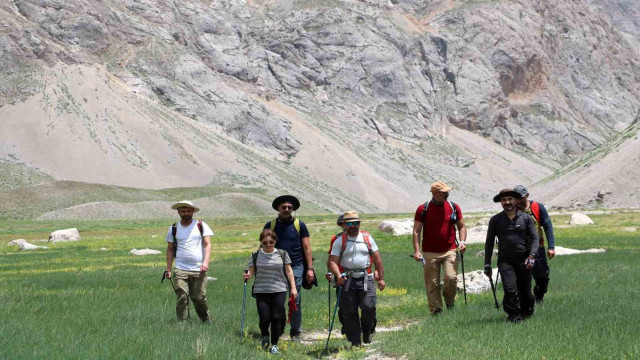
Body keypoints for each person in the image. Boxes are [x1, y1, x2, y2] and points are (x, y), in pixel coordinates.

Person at [328, 211, 385, 347]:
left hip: (366, 278)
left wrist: (381, 278)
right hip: (347, 280)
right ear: (344, 225)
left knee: (369, 307)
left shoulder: (367, 237)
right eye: (350, 223)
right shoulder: (339, 241)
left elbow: (377, 259)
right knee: (349, 311)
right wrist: (337, 275)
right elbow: (332, 262)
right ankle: (355, 342)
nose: (353, 226)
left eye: (356, 223)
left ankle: (367, 330)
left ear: (359, 224)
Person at [484, 189, 539, 323]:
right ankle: (513, 315)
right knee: (509, 289)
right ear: (501, 202)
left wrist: (532, 256)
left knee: (525, 290)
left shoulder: (526, 218)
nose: (507, 202)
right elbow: (489, 243)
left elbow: (535, 238)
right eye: (504, 200)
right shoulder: (495, 220)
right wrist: (487, 263)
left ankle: (527, 312)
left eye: (510, 199)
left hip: (524, 259)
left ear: (516, 200)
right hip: (505, 261)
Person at [411, 182, 467, 315]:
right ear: (435, 194)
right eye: (444, 193)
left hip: (450, 249)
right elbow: (416, 231)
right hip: (430, 252)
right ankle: (436, 311)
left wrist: (463, 241)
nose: (447, 194)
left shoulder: (454, 207)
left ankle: (450, 302)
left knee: (451, 278)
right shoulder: (423, 209)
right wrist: (417, 251)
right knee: (432, 283)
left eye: (447, 192)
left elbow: (462, 226)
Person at [263, 195, 314, 339]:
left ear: (293, 209)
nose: (286, 209)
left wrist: (309, 268)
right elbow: (264, 246)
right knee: (277, 299)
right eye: (284, 207)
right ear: (278, 208)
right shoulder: (270, 225)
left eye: (289, 207)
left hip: (297, 266)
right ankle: (280, 325)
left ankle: (295, 331)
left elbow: (306, 247)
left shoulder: (300, 225)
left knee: (294, 297)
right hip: (275, 267)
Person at [244, 229, 298, 355]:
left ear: (275, 241)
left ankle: (274, 344)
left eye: (271, 242)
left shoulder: (282, 254)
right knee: (264, 318)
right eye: (265, 243)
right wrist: (248, 276)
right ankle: (264, 336)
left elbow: (289, 271)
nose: (268, 245)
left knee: (276, 317)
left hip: (279, 289)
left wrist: (293, 288)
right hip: (261, 290)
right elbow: (251, 271)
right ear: (261, 243)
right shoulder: (255, 255)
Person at [164, 200, 213, 323]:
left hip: (198, 268)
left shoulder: (201, 226)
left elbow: (207, 245)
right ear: (179, 212)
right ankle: (182, 324)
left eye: (188, 211)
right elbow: (170, 250)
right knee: (182, 297)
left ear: (192, 212)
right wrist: (168, 269)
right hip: (180, 268)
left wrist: (205, 262)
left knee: (198, 297)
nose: (186, 213)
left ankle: (206, 320)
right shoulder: (174, 228)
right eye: (183, 211)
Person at [513, 185, 556, 304]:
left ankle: (539, 296)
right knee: (522, 278)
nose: (519, 200)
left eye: (521, 197)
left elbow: (548, 227)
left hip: (537, 249)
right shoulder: (512, 209)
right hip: (519, 250)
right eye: (516, 198)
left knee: (542, 277)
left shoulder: (538, 207)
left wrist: (551, 247)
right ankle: (524, 301)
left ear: (527, 195)